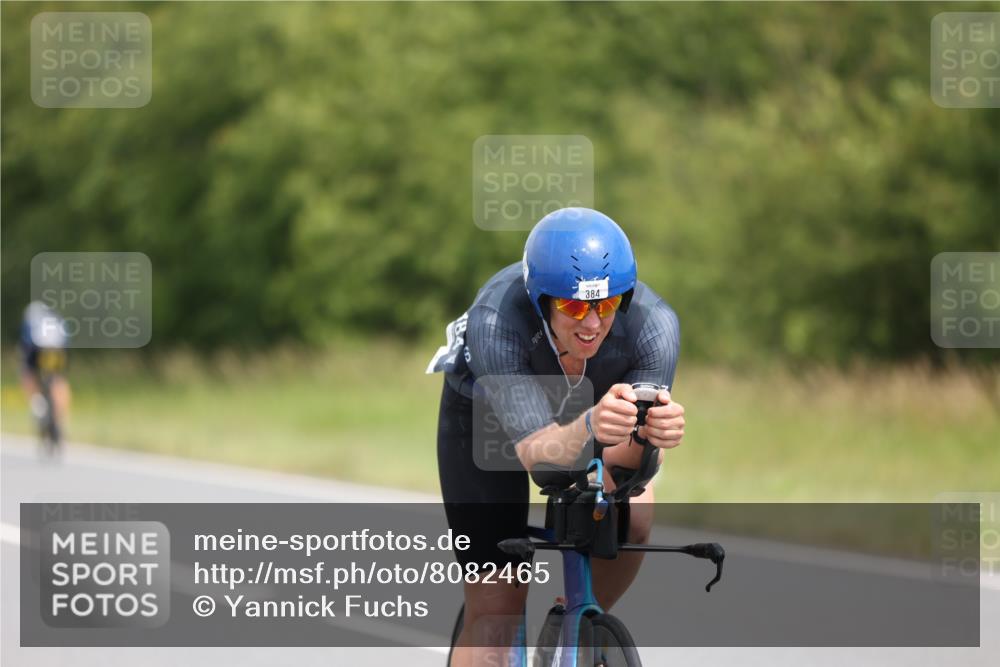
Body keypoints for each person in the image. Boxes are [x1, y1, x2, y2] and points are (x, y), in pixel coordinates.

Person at [428, 207, 685, 665]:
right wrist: (590, 426)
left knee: (636, 514)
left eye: (605, 305)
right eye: (573, 305)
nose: (591, 323)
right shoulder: (497, 320)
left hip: (590, 407)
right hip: (486, 415)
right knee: (496, 612)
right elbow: (542, 462)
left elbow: (633, 467)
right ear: (540, 299)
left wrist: (652, 437)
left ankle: (572, 621)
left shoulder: (654, 327)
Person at [19, 301, 71, 449]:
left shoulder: (31, 320)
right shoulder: (58, 319)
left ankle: (37, 403)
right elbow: (66, 340)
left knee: (27, 373)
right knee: (59, 379)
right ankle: (60, 417)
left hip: (36, 351)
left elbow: (25, 345)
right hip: (57, 351)